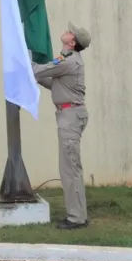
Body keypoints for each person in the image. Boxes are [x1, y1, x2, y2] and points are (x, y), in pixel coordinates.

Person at [32, 22, 92, 229]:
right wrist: (36, 76)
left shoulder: (69, 61)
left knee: (70, 169)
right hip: (69, 115)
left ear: (72, 42)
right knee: (70, 167)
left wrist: (23, 61)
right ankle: (78, 214)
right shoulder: (67, 60)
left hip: (70, 116)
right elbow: (54, 83)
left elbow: (40, 71)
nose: (66, 32)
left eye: (70, 32)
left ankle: (77, 218)